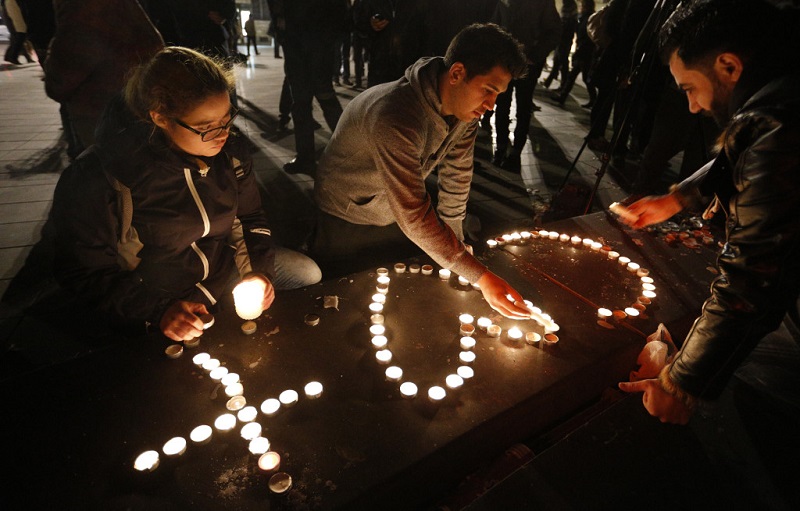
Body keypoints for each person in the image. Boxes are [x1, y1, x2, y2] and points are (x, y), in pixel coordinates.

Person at [50, 47, 322, 342]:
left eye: (227, 118)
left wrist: (258, 273)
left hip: (221, 270)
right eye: (206, 128)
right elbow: (82, 272)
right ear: (160, 117)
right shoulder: (100, 175)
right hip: (156, 294)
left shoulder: (230, 151)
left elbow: (250, 216)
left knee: (306, 274)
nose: (222, 135)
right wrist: (160, 310)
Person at [617, 0, 800, 424]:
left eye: (689, 89)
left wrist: (681, 385)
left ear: (729, 67)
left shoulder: (781, 125)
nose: (693, 107)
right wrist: (679, 198)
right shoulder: (784, 93)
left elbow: (753, 279)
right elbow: (747, 149)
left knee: (739, 385)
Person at [311, 23, 532, 320]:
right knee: (351, 302)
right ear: (456, 74)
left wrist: (456, 245)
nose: (491, 105)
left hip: (394, 207)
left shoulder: (464, 113)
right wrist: (480, 276)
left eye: (498, 95)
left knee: (407, 295)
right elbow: (414, 214)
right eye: (488, 90)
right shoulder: (394, 115)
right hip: (348, 211)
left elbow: (457, 176)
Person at [44, 0, 164, 159]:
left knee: (110, 172)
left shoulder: (82, 11)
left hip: (100, 111)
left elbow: (62, 76)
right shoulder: (125, 7)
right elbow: (154, 45)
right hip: (139, 102)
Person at [490, 0, 561, 172]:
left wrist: (535, 55)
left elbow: (554, 32)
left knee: (523, 106)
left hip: (528, 63)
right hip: (505, 62)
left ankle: (515, 152)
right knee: (502, 104)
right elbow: (495, 25)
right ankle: (500, 147)